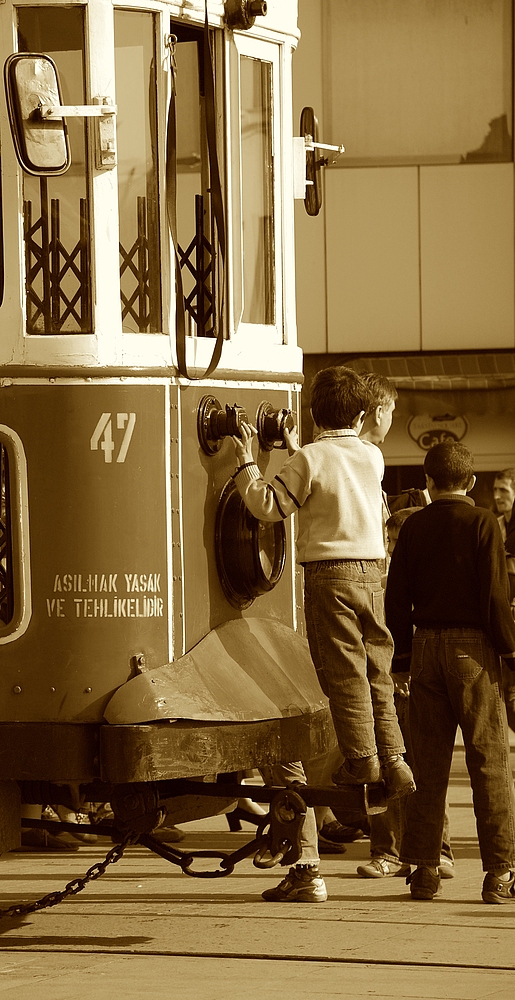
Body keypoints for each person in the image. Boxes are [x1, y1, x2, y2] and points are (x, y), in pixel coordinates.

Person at [230, 365, 414, 900]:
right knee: (377, 671)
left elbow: (269, 504)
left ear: (313, 415)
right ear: (361, 416)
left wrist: (246, 464)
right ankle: (395, 759)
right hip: (371, 575)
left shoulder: (309, 460)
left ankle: (362, 760)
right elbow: (335, 469)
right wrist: (298, 450)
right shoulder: (372, 455)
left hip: (329, 577)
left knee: (344, 674)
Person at [385, 441, 515, 903]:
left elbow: (395, 599)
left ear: (428, 482)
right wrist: (511, 656)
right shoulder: (483, 523)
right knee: (489, 762)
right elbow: (496, 599)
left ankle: (423, 869)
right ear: (472, 482)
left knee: (428, 763)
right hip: (473, 651)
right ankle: (499, 874)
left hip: (424, 649)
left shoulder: (415, 526)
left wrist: (400, 660)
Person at [358, 506, 454, 880]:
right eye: (390, 541)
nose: (394, 549)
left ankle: (436, 850)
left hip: (417, 683)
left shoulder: (430, 580)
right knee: (380, 767)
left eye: (401, 542)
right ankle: (386, 851)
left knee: (426, 767)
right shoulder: (374, 581)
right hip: (381, 686)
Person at [493, 469, 515, 730]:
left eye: (504, 490)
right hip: (505, 614)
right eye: (496, 490)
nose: (498, 496)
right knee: (507, 689)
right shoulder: (496, 524)